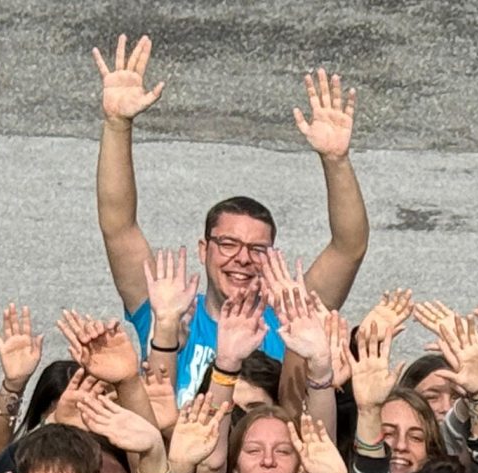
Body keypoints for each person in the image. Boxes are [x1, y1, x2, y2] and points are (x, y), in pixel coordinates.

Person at [94, 37, 369, 399]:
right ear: (203, 249)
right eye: (228, 243)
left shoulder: (289, 320)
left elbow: (349, 247)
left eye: (257, 249)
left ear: (273, 257)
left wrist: (336, 161)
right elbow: (118, 227)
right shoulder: (167, 309)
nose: (242, 258)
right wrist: (117, 125)